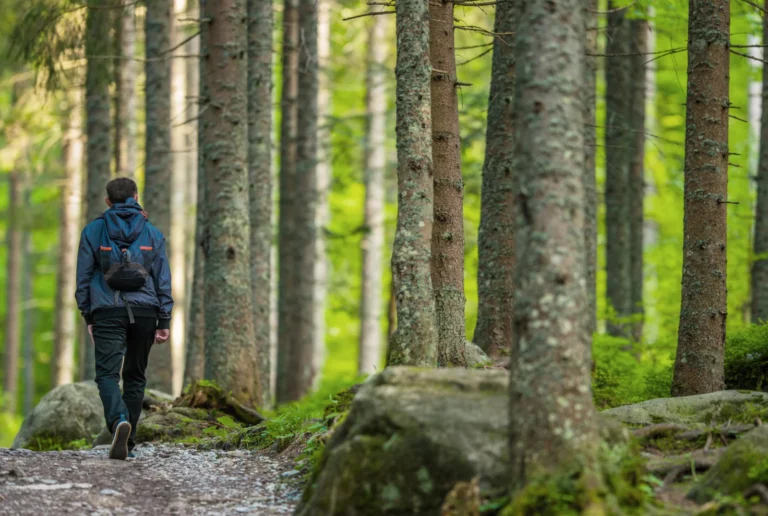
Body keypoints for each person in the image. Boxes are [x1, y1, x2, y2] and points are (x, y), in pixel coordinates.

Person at [75, 178, 173, 460]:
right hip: (146, 313)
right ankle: (127, 442)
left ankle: (119, 421)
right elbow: (162, 278)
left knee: (107, 374)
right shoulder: (152, 233)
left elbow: (83, 277)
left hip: (106, 310)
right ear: (136, 196)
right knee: (135, 376)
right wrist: (164, 320)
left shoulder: (93, 230)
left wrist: (87, 314)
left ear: (108, 201)